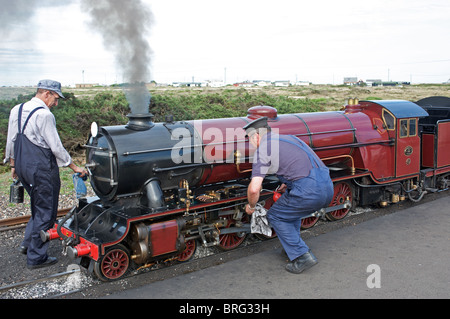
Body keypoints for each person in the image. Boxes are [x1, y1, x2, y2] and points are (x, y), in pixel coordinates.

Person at [5, 79, 87, 269]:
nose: (56, 104)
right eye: (56, 98)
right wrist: (74, 167)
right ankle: (36, 257)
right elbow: (56, 147)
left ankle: (27, 244)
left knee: (38, 206)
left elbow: (11, 139)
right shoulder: (44, 115)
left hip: (22, 165)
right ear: (46, 93)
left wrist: (13, 165)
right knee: (46, 212)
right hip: (41, 168)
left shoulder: (17, 109)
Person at [243, 116, 334, 274]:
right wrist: (289, 183)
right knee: (290, 211)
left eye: (250, 140)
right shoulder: (290, 138)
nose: (251, 144)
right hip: (327, 186)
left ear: (256, 136)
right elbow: (302, 163)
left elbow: (254, 189)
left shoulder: (263, 150)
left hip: (308, 190)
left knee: (276, 216)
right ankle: (291, 247)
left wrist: (251, 206)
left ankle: (302, 256)